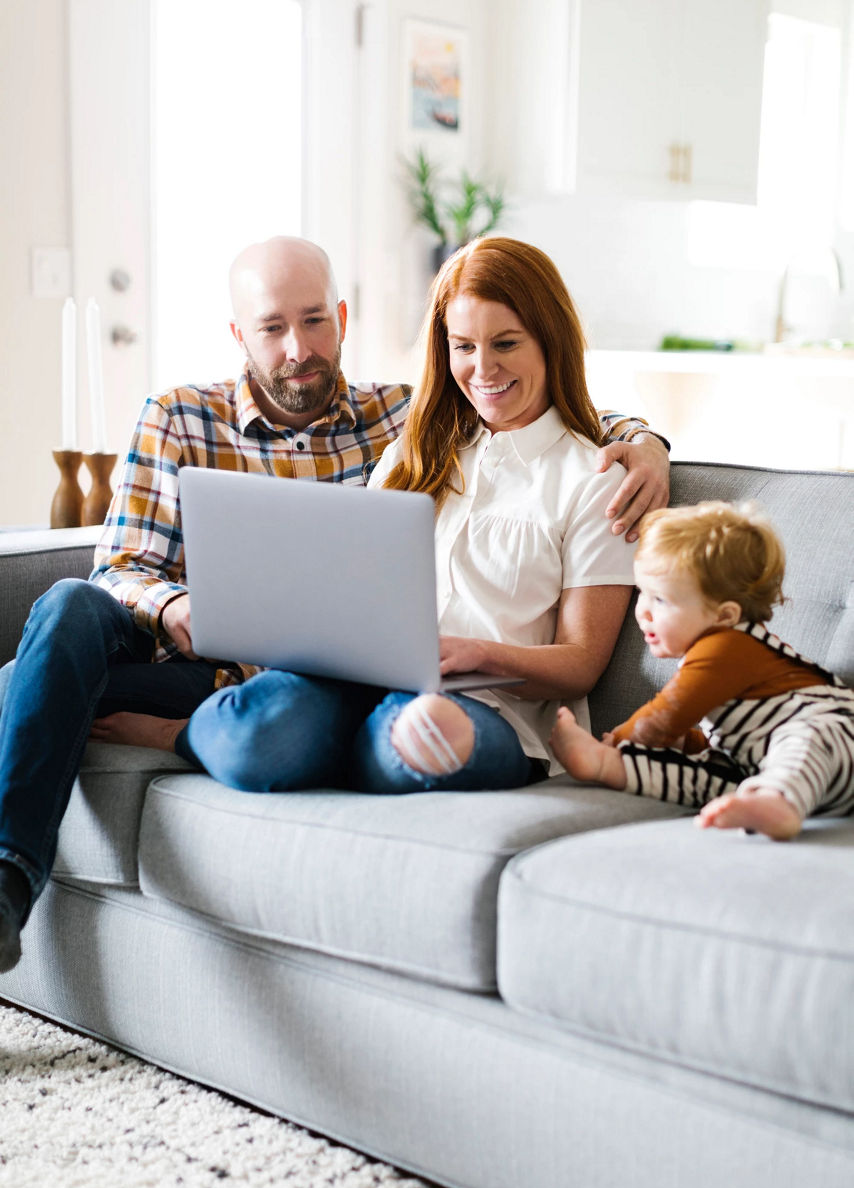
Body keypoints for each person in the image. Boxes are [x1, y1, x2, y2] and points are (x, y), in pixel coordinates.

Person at [0, 235, 669, 973]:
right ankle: (16, 869)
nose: (298, 348)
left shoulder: (448, 434)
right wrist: (183, 610)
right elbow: (124, 567)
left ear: (342, 319)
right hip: (266, 665)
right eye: (273, 327)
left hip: (407, 691)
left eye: (314, 320)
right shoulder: (385, 440)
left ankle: (140, 722)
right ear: (239, 336)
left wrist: (649, 443)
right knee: (81, 619)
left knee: (373, 728)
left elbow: (553, 430)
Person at [93, 236, 649, 803]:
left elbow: (580, 663)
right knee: (268, 726)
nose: (483, 369)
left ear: (550, 342)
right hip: (357, 686)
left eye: (506, 343)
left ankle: (358, 747)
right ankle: (206, 735)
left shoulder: (595, 478)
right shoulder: (416, 450)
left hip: (491, 711)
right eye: (463, 347)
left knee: (424, 732)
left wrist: (478, 654)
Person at [549, 500, 854, 839]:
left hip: (838, 737)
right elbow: (721, 739)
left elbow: (666, 716)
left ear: (724, 616)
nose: (644, 612)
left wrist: (616, 740)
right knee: (705, 775)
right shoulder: (711, 653)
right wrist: (682, 745)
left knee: (805, 738)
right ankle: (606, 768)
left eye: (661, 599)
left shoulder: (727, 647)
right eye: (642, 593)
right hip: (764, 767)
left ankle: (777, 803)